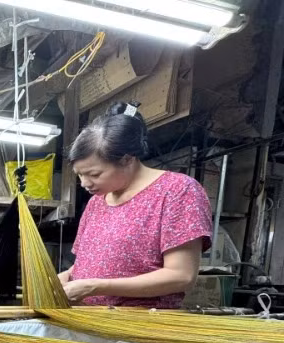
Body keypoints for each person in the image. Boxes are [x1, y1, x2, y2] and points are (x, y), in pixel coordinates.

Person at [57, 102, 213, 309]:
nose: (85, 183)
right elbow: (89, 264)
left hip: (140, 321)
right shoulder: (97, 202)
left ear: (127, 159)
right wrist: (67, 276)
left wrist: (96, 287)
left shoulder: (177, 191)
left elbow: (181, 276)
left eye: (94, 174)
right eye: (80, 175)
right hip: (86, 316)